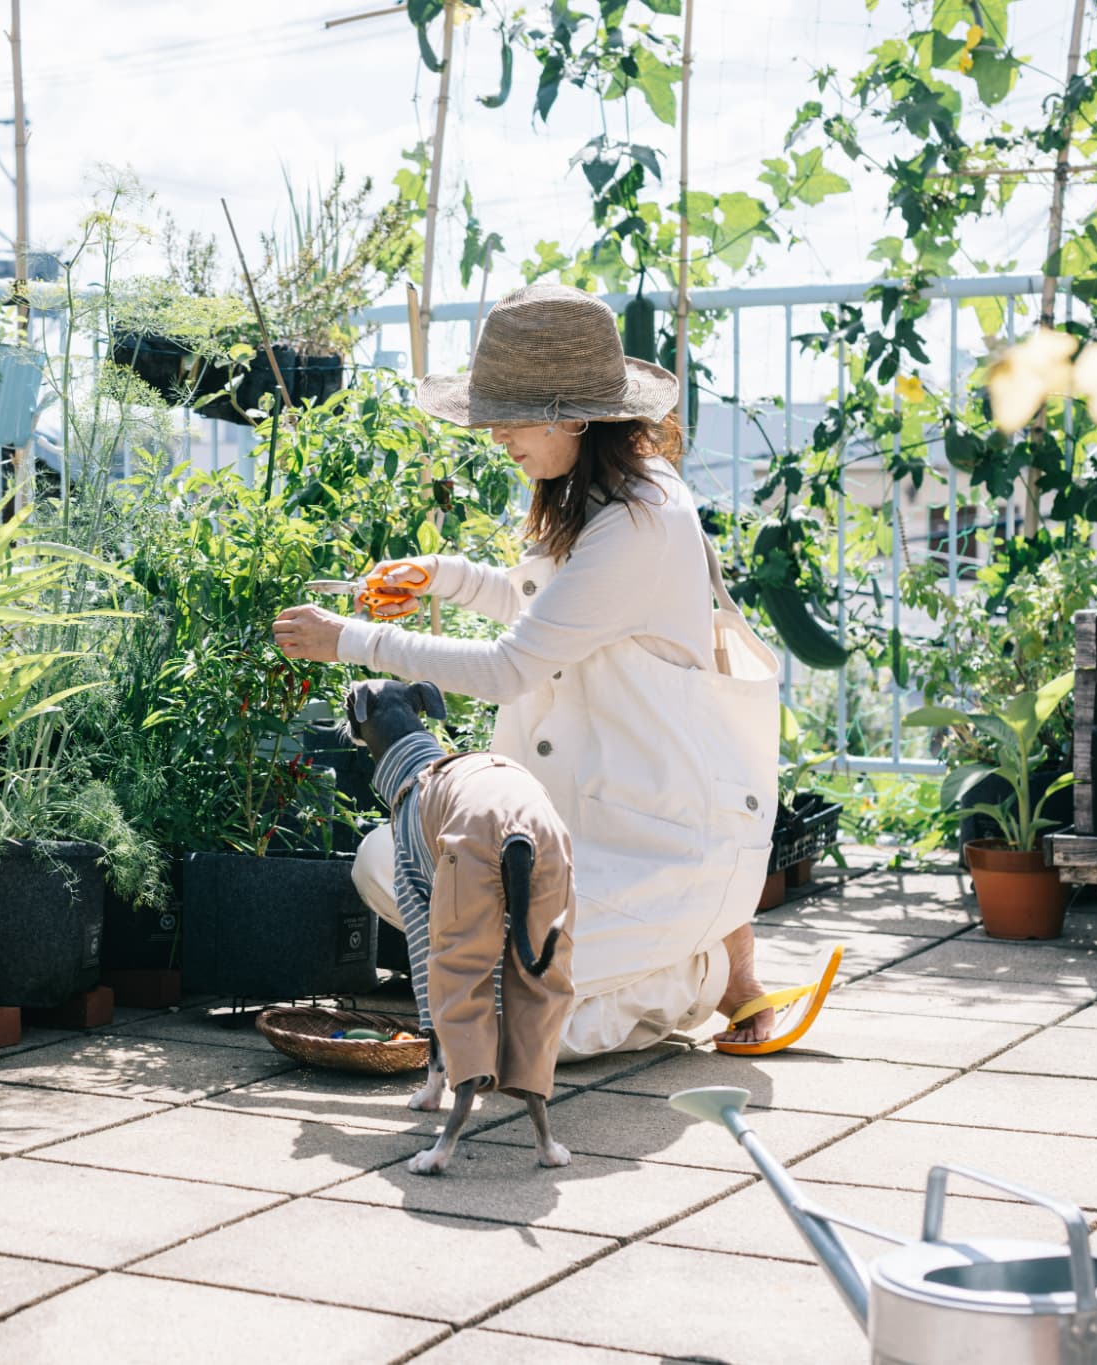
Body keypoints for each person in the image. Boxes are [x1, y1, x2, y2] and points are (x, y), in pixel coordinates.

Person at [272, 283, 790, 1055]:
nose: (496, 436)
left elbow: (513, 666)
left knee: (516, 1027)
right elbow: (543, 605)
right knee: (391, 859)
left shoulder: (642, 522)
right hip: (577, 833)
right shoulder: (595, 495)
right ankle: (651, 967)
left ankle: (705, 967)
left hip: (651, 851)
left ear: (572, 414)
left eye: (510, 417)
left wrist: (351, 639)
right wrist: (442, 575)